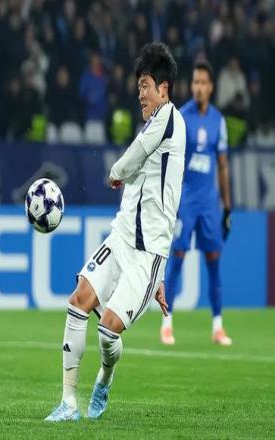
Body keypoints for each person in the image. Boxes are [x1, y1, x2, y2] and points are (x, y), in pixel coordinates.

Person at [45, 42, 185, 422]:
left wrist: (115, 172)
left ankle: (104, 379)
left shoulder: (170, 120)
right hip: (122, 237)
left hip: (148, 254)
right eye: (138, 87)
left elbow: (133, 157)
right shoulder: (154, 125)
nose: (140, 94)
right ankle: (68, 403)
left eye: (145, 86)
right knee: (79, 299)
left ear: (163, 89)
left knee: (108, 333)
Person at [160, 60, 232, 346]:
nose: (199, 87)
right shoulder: (181, 117)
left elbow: (223, 166)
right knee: (177, 258)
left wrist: (227, 206)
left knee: (214, 262)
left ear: (211, 87)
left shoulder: (218, 121)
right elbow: (169, 161)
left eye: (203, 83)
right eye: (195, 82)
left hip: (209, 205)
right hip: (185, 201)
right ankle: (167, 324)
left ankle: (218, 327)